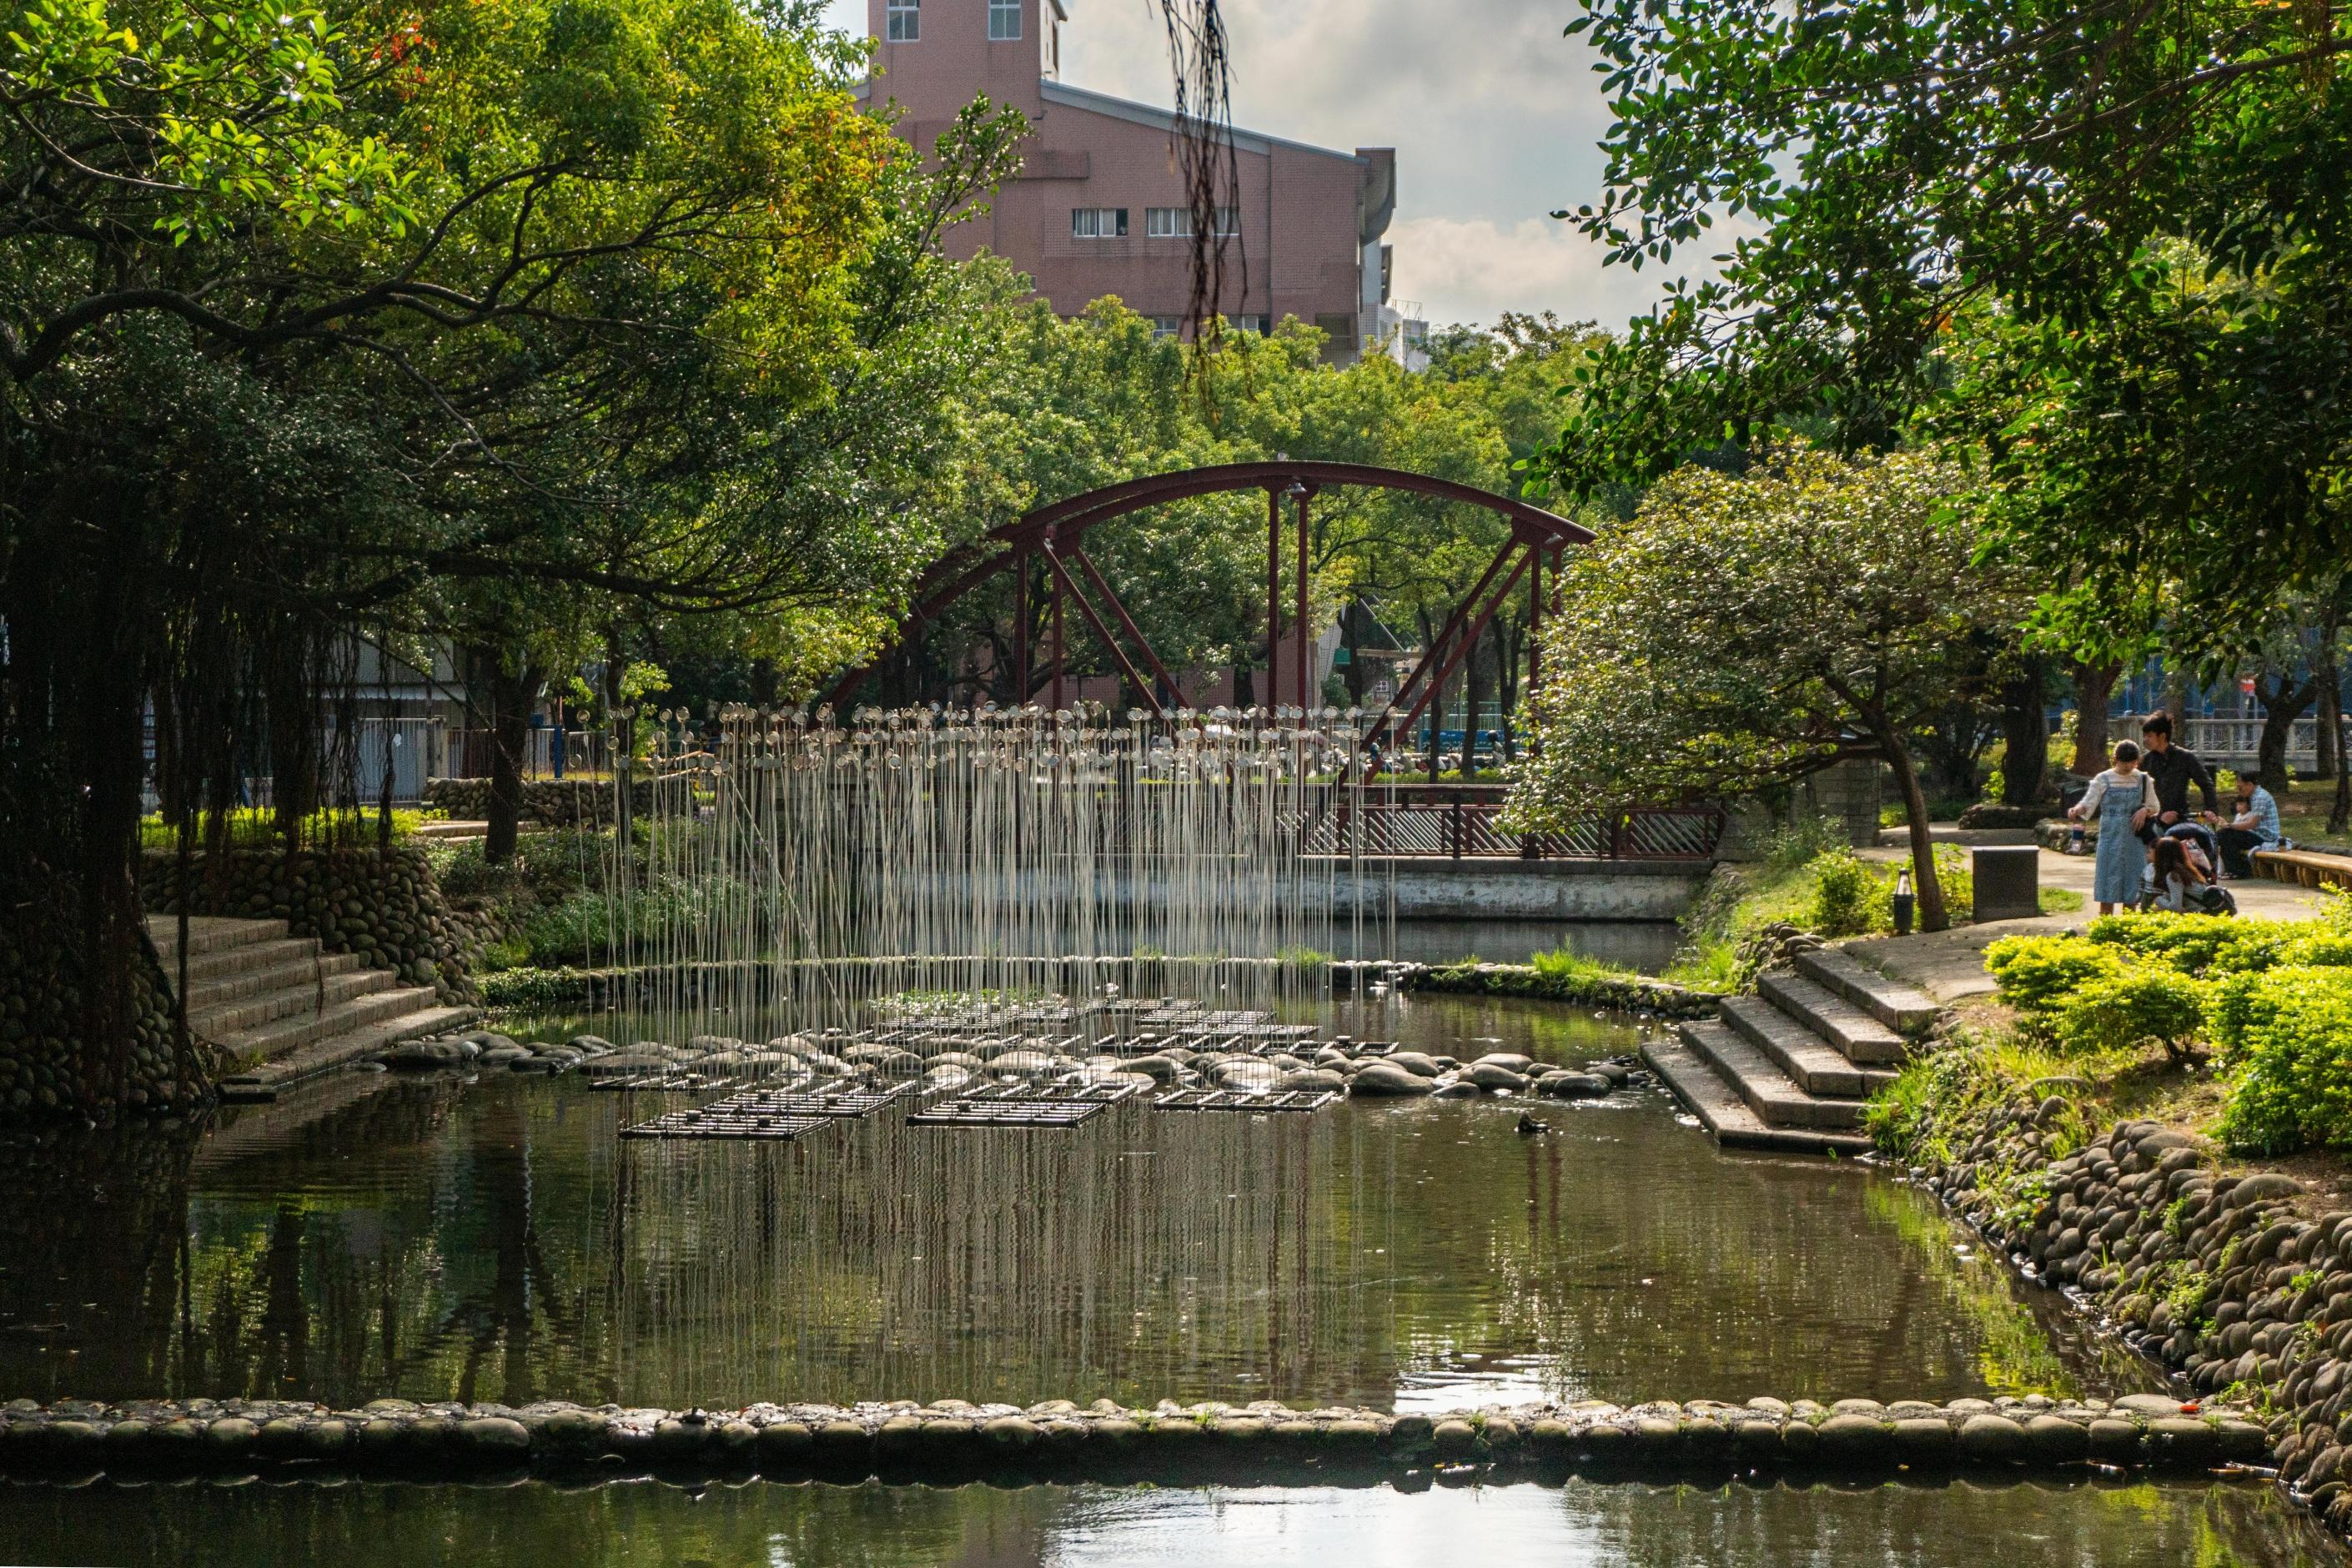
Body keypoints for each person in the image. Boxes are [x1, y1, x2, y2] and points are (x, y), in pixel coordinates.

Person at [2068, 740, 2159, 915]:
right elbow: (2089, 802)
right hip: (2110, 838)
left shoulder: (2143, 779)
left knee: (2132, 887)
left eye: (2132, 762)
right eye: (2124, 762)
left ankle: (2128, 928)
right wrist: (2077, 809)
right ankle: (2106, 925)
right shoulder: (2103, 779)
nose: (2128, 766)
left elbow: (2155, 806)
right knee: (2107, 885)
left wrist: (2144, 811)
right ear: (2116, 759)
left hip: (2134, 837)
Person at [2138, 712, 2219, 839]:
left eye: (2149, 736)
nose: (2145, 740)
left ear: (2162, 736)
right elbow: (2138, 794)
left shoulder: (2185, 757)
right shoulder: (2146, 761)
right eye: (2144, 736)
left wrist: (2211, 810)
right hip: (2153, 821)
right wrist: (2158, 816)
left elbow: (2206, 785)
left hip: (2181, 820)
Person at [2211, 776, 2283, 879]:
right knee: (2224, 835)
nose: (2239, 791)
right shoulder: (2255, 796)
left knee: (2224, 834)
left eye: (2241, 788)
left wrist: (2229, 825)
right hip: (2256, 833)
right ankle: (2237, 869)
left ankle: (2238, 871)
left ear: (2249, 784)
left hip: (2265, 837)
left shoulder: (2260, 797)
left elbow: (2251, 824)